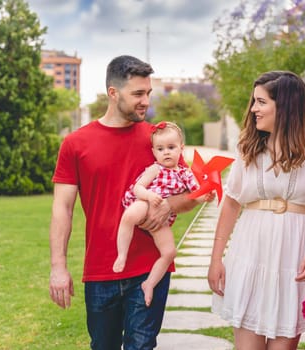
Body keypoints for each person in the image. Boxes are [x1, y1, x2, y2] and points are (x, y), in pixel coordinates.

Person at [49, 55, 203, 350]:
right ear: (113, 93)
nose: (145, 101)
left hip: (148, 267)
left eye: (148, 93)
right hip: (100, 269)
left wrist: (168, 206)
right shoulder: (76, 143)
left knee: (142, 346)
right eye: (138, 94)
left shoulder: (159, 139)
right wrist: (58, 266)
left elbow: (188, 195)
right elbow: (62, 209)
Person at [207, 71, 305, 350]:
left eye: (261, 102)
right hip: (250, 251)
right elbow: (231, 203)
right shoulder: (249, 147)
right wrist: (216, 259)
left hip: (295, 254)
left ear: (286, 105)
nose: (254, 109)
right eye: (254, 102)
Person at [113, 121, 211, 306]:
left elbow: (194, 194)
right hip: (145, 202)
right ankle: (122, 254)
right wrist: (149, 196)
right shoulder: (155, 169)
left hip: (162, 219)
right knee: (129, 216)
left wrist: (205, 197)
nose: (166, 152)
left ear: (181, 149)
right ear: (154, 152)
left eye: (171, 147)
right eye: (160, 148)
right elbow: (138, 188)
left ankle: (149, 283)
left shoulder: (186, 174)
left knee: (169, 252)